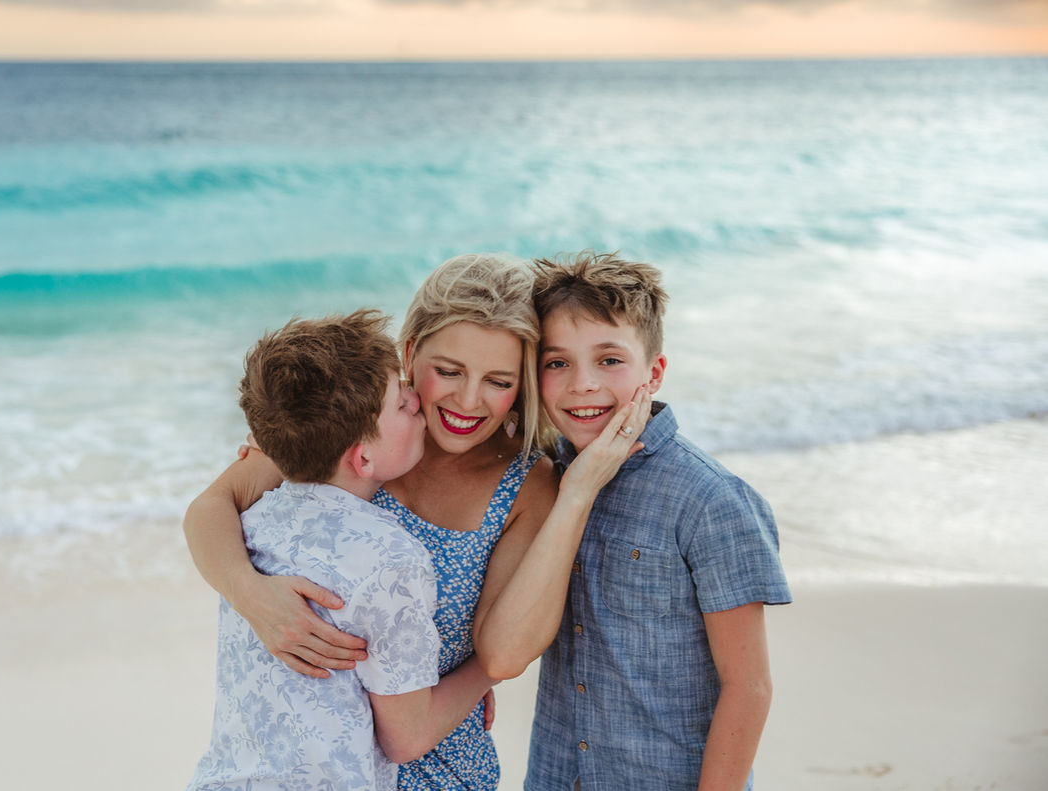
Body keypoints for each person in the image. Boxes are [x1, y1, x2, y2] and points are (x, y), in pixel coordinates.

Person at [183, 254, 645, 789]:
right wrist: (249, 593)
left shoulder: (525, 483)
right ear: (409, 353)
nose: (467, 401)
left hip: (440, 764)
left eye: (498, 380)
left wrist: (576, 494)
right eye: (447, 372)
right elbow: (210, 509)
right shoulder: (348, 434)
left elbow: (504, 653)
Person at [185, 309, 501, 790]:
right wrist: (484, 672)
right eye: (401, 404)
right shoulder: (392, 559)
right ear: (363, 456)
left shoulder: (253, 521)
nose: (417, 402)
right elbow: (408, 738)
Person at [512, 251, 793, 791]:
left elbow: (749, 685)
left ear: (654, 372)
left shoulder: (710, 499)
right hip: (555, 776)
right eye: (557, 362)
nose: (582, 384)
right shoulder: (544, 478)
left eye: (610, 360)